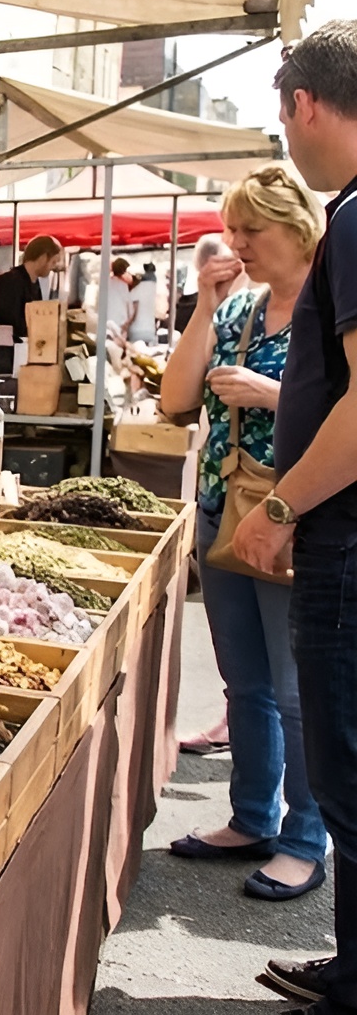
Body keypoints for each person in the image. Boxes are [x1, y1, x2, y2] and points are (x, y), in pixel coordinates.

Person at [233, 20, 357, 1013]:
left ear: (302, 104)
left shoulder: (352, 220)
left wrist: (279, 505)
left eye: (282, 116)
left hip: (344, 546)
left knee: (344, 768)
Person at [157, 163, 324, 902]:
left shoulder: (330, 310)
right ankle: (252, 817)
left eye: (251, 230)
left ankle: (305, 841)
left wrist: (271, 393)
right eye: (232, 231)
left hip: (296, 516)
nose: (238, 244)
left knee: (297, 692)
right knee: (246, 683)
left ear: (297, 228)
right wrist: (204, 308)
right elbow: (175, 398)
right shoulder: (239, 313)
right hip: (224, 509)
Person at [0, 235, 65, 372]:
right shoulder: (11, 282)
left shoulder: (34, 283)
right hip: (4, 360)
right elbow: (11, 322)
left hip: (21, 356)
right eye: (53, 262)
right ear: (43, 257)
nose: (53, 267)